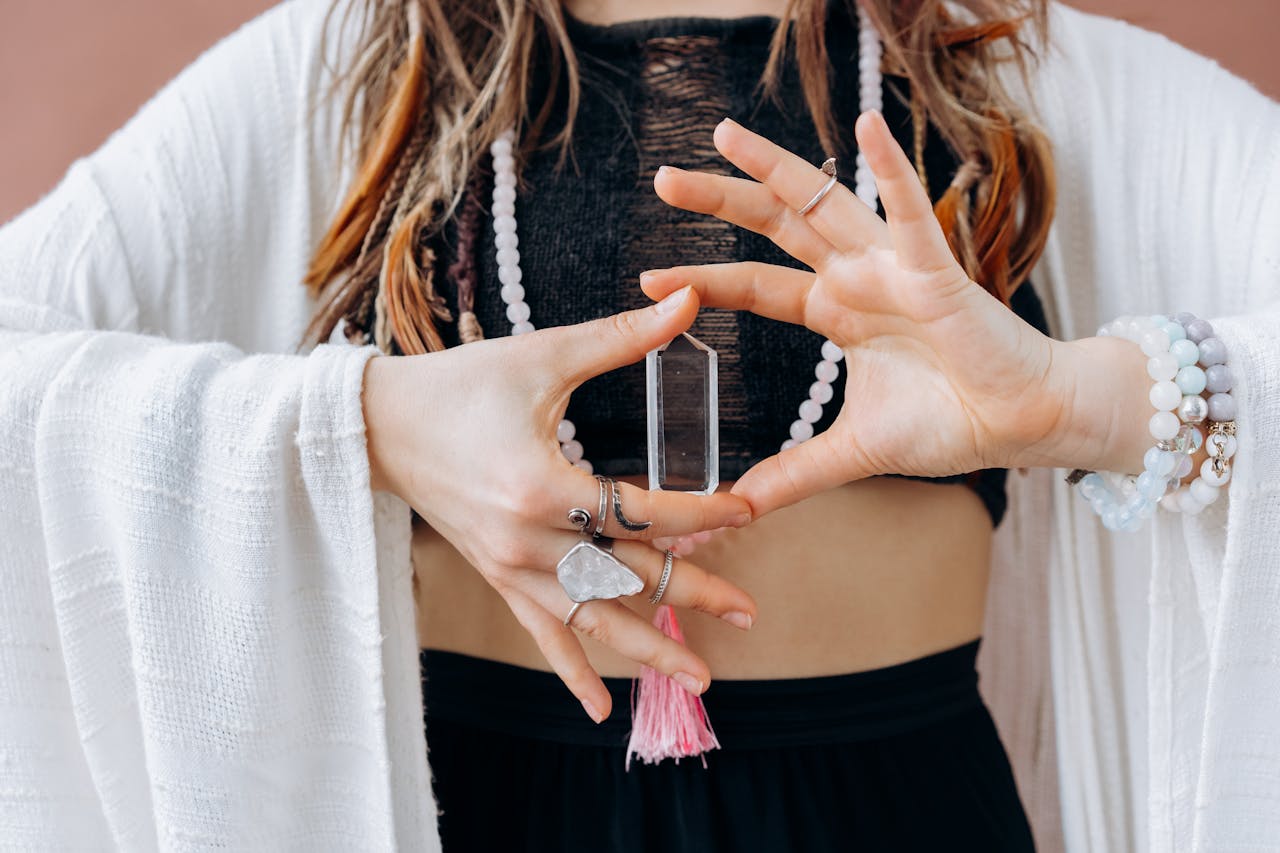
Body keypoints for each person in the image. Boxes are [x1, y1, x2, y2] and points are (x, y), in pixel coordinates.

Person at [0, 1, 1275, 852]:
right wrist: (367, 426)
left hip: (893, 797)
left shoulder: (996, 62)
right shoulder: (365, 64)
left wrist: (1091, 402)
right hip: (477, 797)